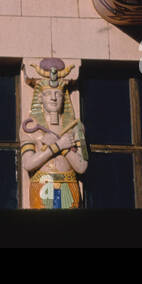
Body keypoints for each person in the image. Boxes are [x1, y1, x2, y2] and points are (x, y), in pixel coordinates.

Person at [21, 58, 88, 209]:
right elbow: (28, 163)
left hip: (69, 185)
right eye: (48, 94)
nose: (53, 97)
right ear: (40, 98)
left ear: (64, 98)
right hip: (42, 185)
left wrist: (62, 147)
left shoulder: (77, 127)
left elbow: (82, 166)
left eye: (58, 94)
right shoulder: (30, 127)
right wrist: (57, 146)